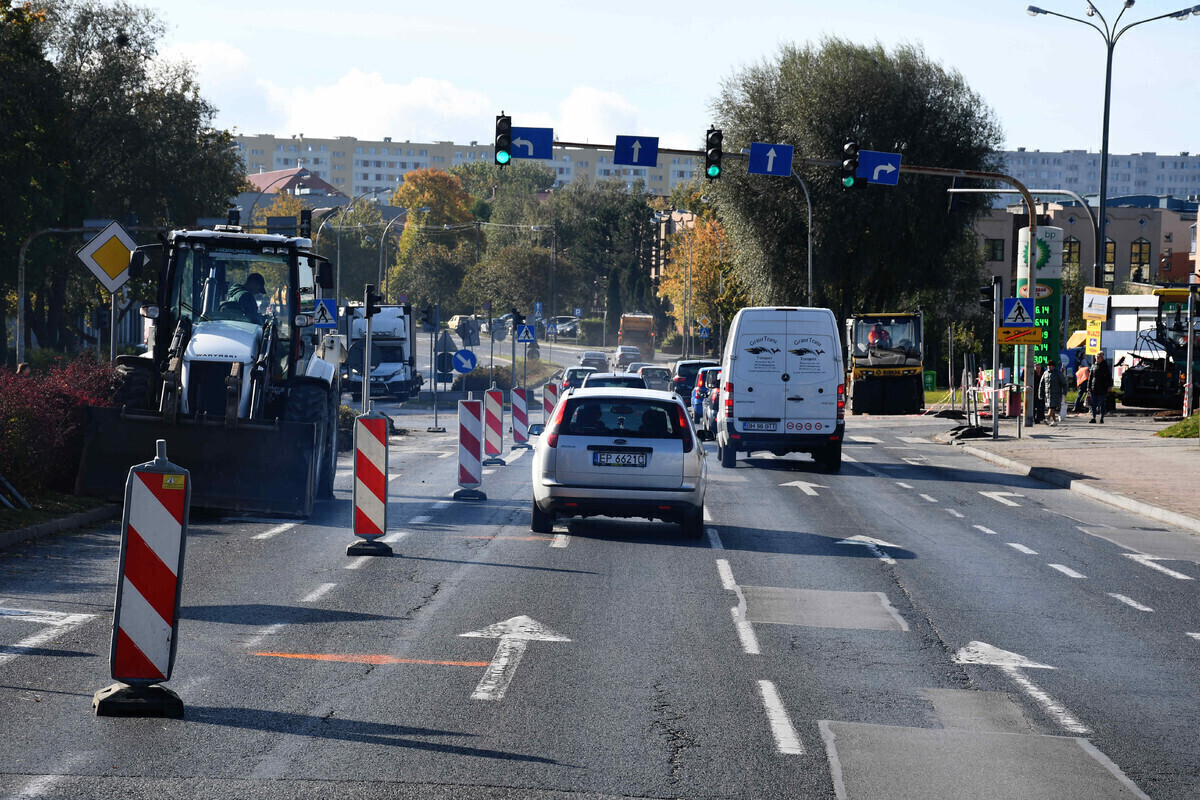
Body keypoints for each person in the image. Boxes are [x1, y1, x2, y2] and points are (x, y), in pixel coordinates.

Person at [1089, 350, 1113, 424]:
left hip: (1102, 387)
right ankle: (1093, 417)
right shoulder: (1093, 366)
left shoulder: (1105, 366)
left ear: (1102, 358)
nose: (1097, 358)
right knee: (1093, 403)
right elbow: (1090, 377)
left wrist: (1109, 386)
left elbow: (1109, 377)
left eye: (1098, 357)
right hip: (1094, 387)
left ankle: (1102, 417)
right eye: (1096, 357)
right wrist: (1088, 387)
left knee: (1102, 403)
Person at [1040, 360, 1067, 426]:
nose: (1049, 367)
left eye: (1050, 365)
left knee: (1052, 407)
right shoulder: (1045, 373)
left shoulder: (1058, 373)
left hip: (1056, 393)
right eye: (1048, 365)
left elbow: (1064, 383)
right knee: (1051, 407)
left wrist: (1064, 392)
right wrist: (1040, 393)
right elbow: (1042, 384)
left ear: (1053, 366)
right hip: (1048, 394)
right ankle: (1054, 421)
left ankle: (1048, 418)